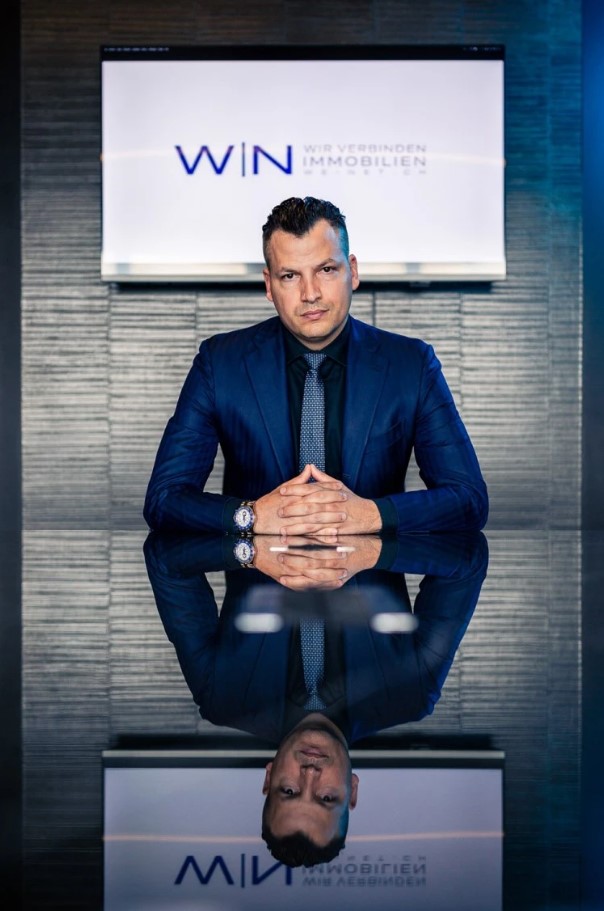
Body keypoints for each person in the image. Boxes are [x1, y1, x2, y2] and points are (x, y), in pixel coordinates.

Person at [143, 196, 488, 535]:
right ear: (269, 285)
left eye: (326, 270)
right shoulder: (220, 364)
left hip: (371, 569)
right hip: (258, 571)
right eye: (290, 276)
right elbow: (164, 498)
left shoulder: (412, 365)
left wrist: (371, 514)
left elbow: (468, 498)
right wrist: (251, 516)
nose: (310, 293)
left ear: (352, 272)